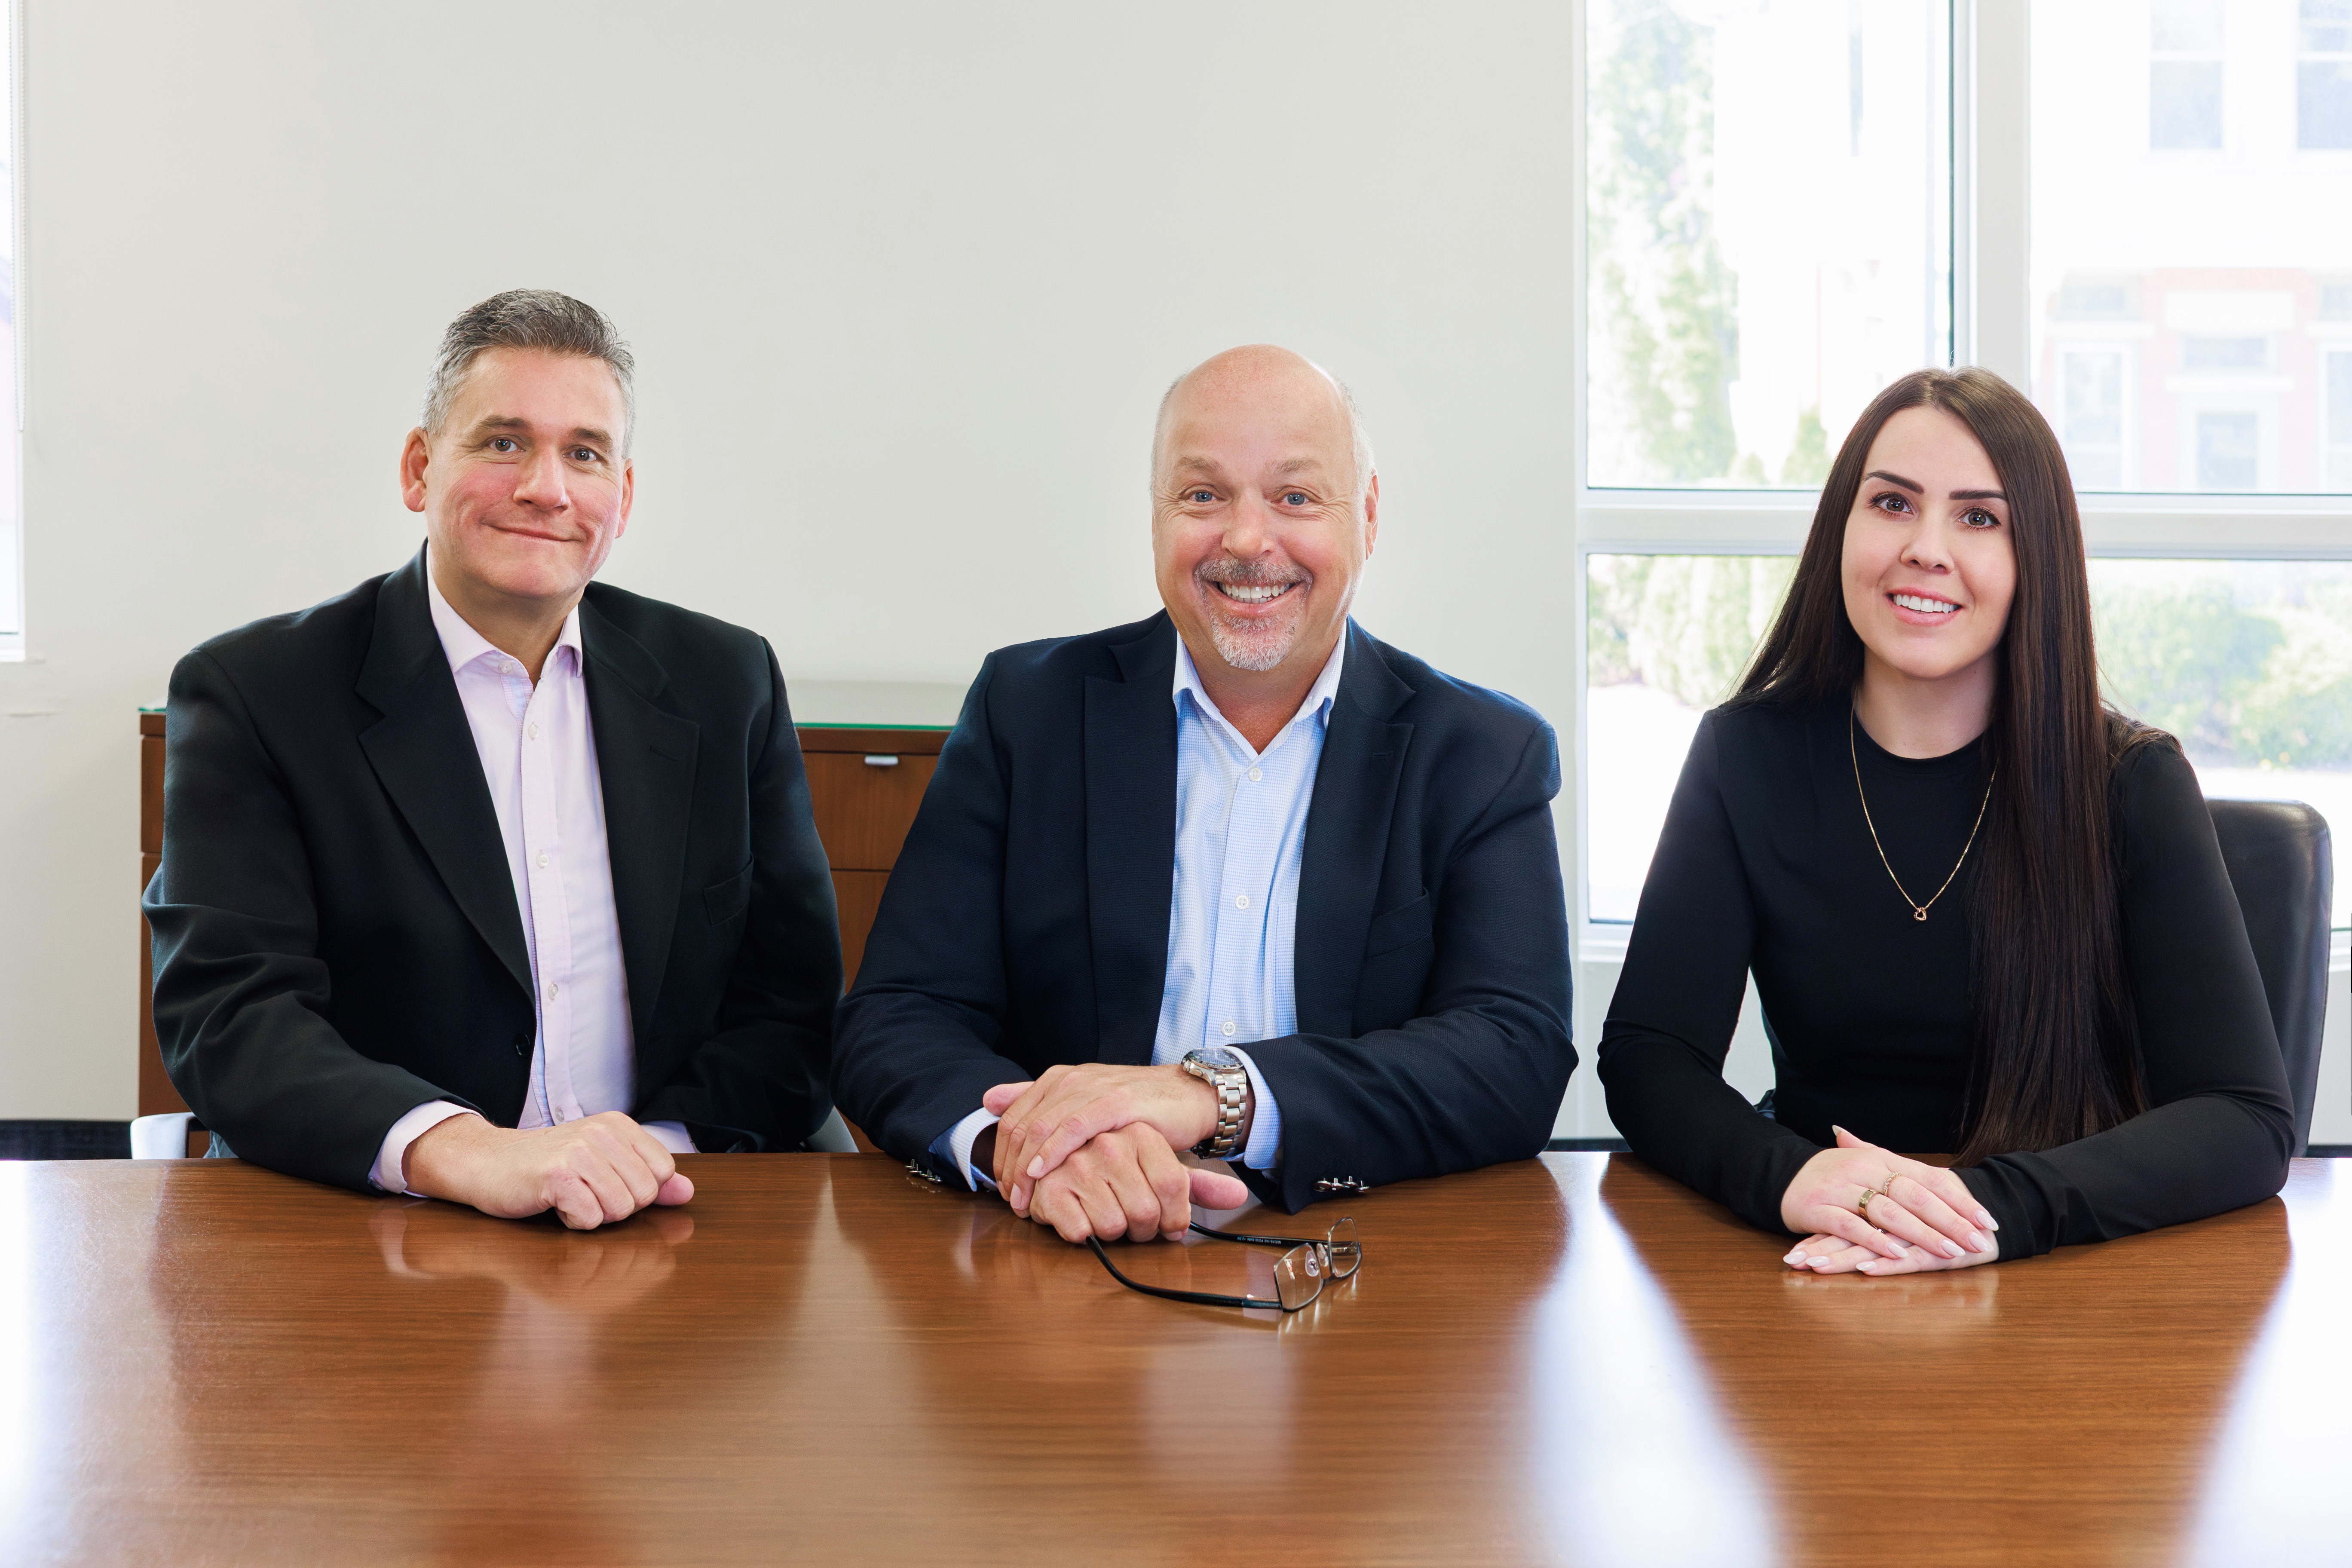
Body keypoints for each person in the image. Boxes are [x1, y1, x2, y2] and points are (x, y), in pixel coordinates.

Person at [831, 344, 1574, 1244]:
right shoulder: (1027, 711)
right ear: (1156, 518)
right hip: (1065, 1262)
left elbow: (1513, 1055)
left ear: (1368, 518)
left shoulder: (1483, 752)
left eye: (1296, 497)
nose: (1249, 540)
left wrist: (1213, 1096)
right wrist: (1027, 1147)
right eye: (1203, 496)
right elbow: (898, 1016)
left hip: (1364, 1268)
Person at [144, 290, 841, 1229]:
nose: (546, 489)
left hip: (661, 1207)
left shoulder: (727, 680)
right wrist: (470, 1154)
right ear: (419, 468)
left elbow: (787, 1003)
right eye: (503, 442)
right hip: (375, 1215)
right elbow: (231, 1018)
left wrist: (638, 1158)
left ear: (623, 498)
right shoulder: (256, 692)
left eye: (584, 453)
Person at [1598, 367, 2295, 1274]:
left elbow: (2245, 1118)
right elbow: (1652, 1057)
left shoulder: (2133, 783)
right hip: (1821, 1261)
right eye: (1892, 503)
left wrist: (1981, 1209)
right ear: (1840, 529)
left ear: (2032, 558)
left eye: (1978, 517)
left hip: (2070, 1270)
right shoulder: (1746, 756)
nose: (1927, 548)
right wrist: (1790, 1177)